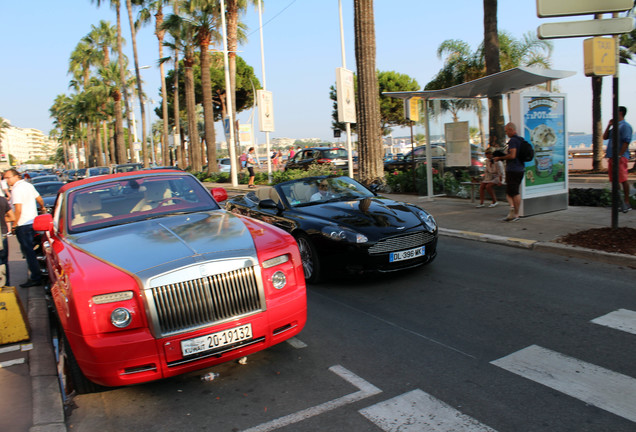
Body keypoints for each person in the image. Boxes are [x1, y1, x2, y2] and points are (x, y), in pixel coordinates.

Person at [3, 169, 46, 287]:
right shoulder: (28, 185)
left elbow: (18, 209)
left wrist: (15, 224)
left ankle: (36, 278)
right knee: (34, 250)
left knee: (28, 252)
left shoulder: (16, 189)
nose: (7, 180)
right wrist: (42, 208)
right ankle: (39, 273)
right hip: (33, 222)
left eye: (8, 177)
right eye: (5, 178)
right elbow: (39, 199)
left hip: (23, 224)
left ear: (16, 176)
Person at [602, 106, 633, 212]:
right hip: (611, 157)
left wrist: (619, 155)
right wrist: (609, 125)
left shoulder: (625, 126)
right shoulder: (615, 126)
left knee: (623, 179)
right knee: (614, 180)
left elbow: (626, 142)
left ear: (620, 112)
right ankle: (619, 203)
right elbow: (605, 137)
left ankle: (627, 202)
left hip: (620, 157)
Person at [493, 122, 525, 222]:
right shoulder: (521, 140)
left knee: (514, 192)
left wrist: (500, 157)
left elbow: (512, 156)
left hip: (513, 169)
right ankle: (514, 212)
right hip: (520, 168)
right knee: (512, 191)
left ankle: (515, 213)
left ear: (511, 129)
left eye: (506, 131)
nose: (506, 133)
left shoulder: (513, 141)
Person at [0, 195, 15, 286]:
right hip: (3, 233)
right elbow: (12, 217)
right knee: (4, 261)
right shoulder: (2, 200)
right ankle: (6, 284)